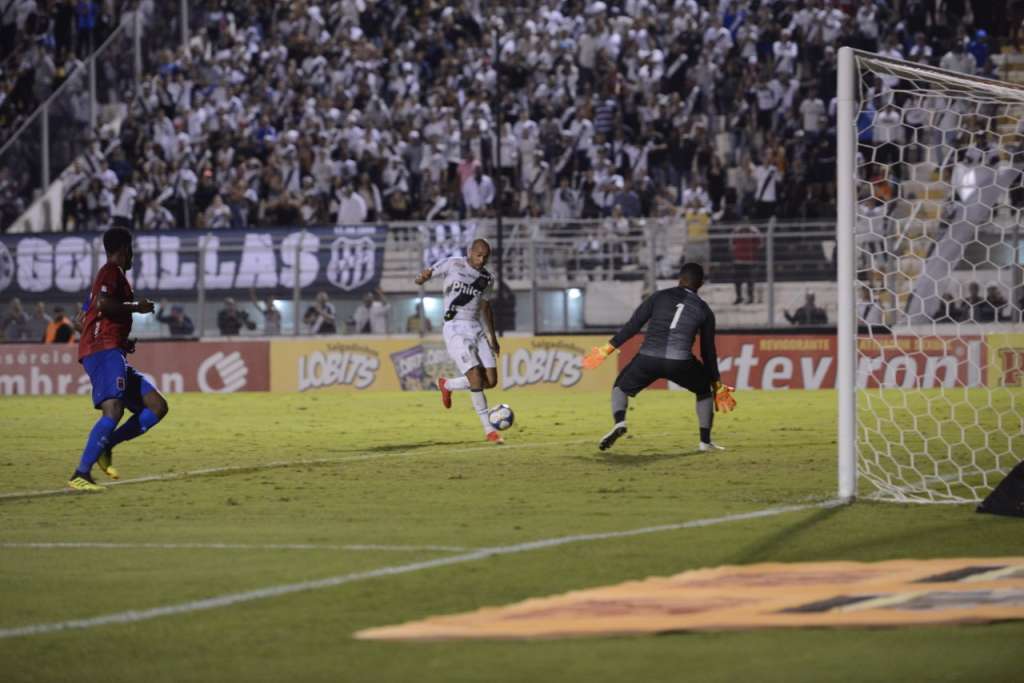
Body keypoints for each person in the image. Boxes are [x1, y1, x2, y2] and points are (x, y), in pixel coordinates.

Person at [581, 262, 735, 453]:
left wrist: (606, 350)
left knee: (620, 387)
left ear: (679, 278)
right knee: (704, 390)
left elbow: (633, 326)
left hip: (648, 358)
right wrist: (717, 385)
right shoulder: (704, 310)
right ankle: (705, 442)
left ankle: (620, 422)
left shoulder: (659, 296)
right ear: (701, 284)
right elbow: (708, 351)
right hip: (680, 362)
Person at [68, 226, 169, 492]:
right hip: (103, 351)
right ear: (125, 248)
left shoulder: (113, 278)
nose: (133, 253)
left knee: (157, 406)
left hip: (112, 349)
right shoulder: (110, 271)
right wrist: (138, 307)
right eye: (131, 248)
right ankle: (80, 474)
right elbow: (102, 305)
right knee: (113, 409)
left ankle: (107, 444)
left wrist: (121, 341)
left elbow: (83, 318)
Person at [415, 238, 504, 444]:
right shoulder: (453, 263)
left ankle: (447, 384)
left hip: (476, 328)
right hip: (455, 327)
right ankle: (489, 430)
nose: (481, 260)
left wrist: (493, 337)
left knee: (491, 381)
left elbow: (486, 307)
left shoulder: (487, 278)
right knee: (475, 376)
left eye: (485, 257)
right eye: (478, 255)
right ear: (470, 252)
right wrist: (422, 278)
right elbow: (427, 274)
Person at [730, 224, 762, 304]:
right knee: (737, 281)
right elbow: (732, 244)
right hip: (738, 260)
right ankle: (739, 297)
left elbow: (760, 244)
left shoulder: (753, 232)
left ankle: (750, 298)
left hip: (749, 261)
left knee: (750, 280)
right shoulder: (736, 231)